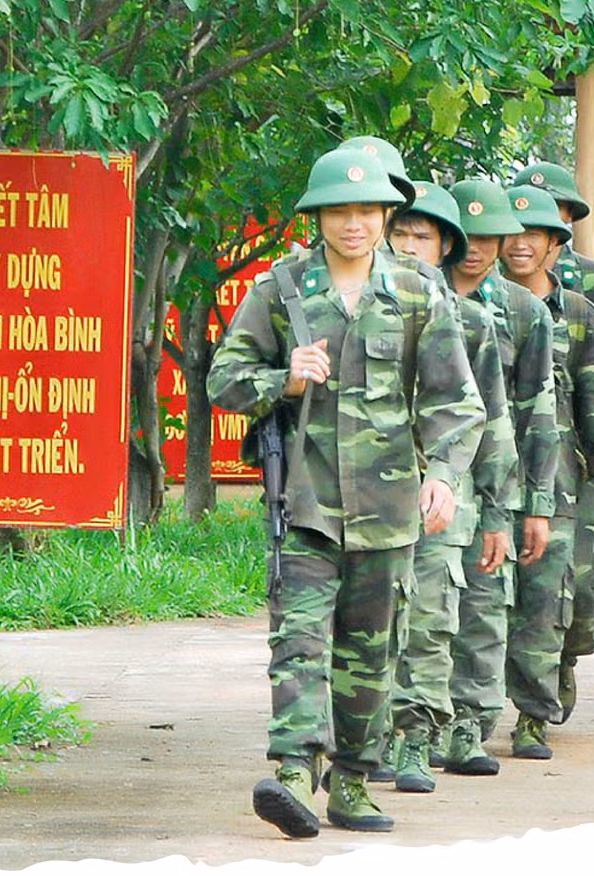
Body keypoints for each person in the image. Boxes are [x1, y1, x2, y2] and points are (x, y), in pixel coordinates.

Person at [207, 147, 483, 838]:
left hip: (389, 511)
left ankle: (353, 782)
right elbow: (224, 380)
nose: (353, 223)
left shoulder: (418, 292)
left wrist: (444, 475)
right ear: (318, 216)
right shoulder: (281, 289)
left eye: (366, 210)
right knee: (298, 641)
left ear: (386, 214)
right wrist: (284, 379)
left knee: (370, 654)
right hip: (305, 503)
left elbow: (455, 401)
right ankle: (294, 773)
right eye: (339, 211)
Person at [381, 183, 517, 794]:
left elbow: (491, 423)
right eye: (401, 234)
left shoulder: (472, 322)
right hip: (370, 497)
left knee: (432, 624)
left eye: (424, 237)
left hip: (445, 501)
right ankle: (369, 738)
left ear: (445, 248)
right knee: (372, 622)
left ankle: (417, 739)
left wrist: (499, 515)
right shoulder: (359, 310)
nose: (410, 246)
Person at [496, 185, 594, 761]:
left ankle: (538, 706)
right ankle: (472, 716)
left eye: (536, 234)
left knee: (555, 597)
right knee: (482, 599)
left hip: (557, 479)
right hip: (485, 474)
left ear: (556, 244)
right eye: (512, 233)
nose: (521, 244)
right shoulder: (474, 303)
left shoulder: (579, 314)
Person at [442, 177, 560, 775]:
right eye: (467, 237)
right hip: (424, 481)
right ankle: (411, 726)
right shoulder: (416, 298)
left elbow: (539, 414)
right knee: (420, 611)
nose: (477, 250)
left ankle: (469, 726)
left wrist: (536, 505)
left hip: (494, 484)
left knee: (485, 606)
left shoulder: (523, 312)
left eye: (489, 238)